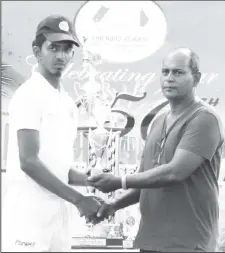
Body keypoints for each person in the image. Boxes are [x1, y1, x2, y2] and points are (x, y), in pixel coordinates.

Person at [87, 48, 225, 252]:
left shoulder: (204, 119)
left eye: (178, 72)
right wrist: (114, 204)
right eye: (165, 72)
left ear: (196, 78)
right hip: (150, 241)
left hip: (189, 242)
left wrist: (119, 181)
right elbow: (145, 180)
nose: (169, 78)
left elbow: (174, 172)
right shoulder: (159, 120)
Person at [2, 15, 102, 252]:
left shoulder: (66, 101)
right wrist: (79, 199)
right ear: (37, 51)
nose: (61, 56)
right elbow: (28, 162)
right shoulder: (29, 94)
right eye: (53, 48)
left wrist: (91, 180)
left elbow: (57, 166)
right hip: (28, 218)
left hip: (59, 215)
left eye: (67, 49)